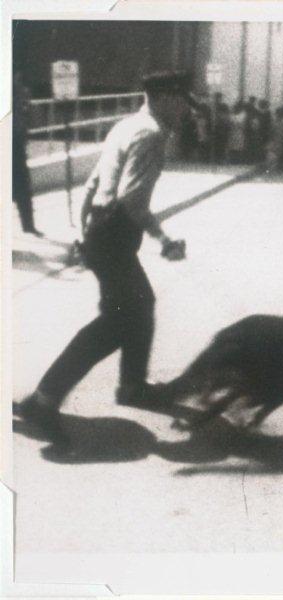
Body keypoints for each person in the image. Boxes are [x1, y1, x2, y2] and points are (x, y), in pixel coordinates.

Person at [14, 71, 192, 449]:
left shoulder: (126, 125)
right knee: (117, 322)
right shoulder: (151, 134)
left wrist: (83, 229)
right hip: (114, 233)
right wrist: (165, 238)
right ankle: (43, 401)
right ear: (162, 97)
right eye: (182, 99)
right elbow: (132, 199)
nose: (186, 108)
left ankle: (132, 386)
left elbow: (94, 181)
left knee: (140, 306)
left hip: (102, 231)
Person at [12, 70, 42, 236]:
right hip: (14, 140)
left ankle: (28, 225)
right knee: (22, 186)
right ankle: (28, 225)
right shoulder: (20, 92)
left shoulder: (20, 92)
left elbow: (30, 117)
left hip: (16, 141)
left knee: (22, 186)